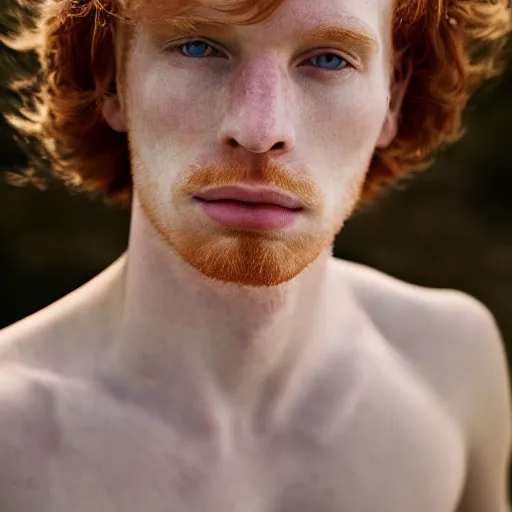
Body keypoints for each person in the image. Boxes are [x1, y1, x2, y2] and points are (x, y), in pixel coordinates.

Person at [0, 0, 511, 510]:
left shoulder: (452, 364)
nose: (260, 130)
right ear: (111, 80)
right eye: (198, 46)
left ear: (393, 97)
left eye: (329, 59)